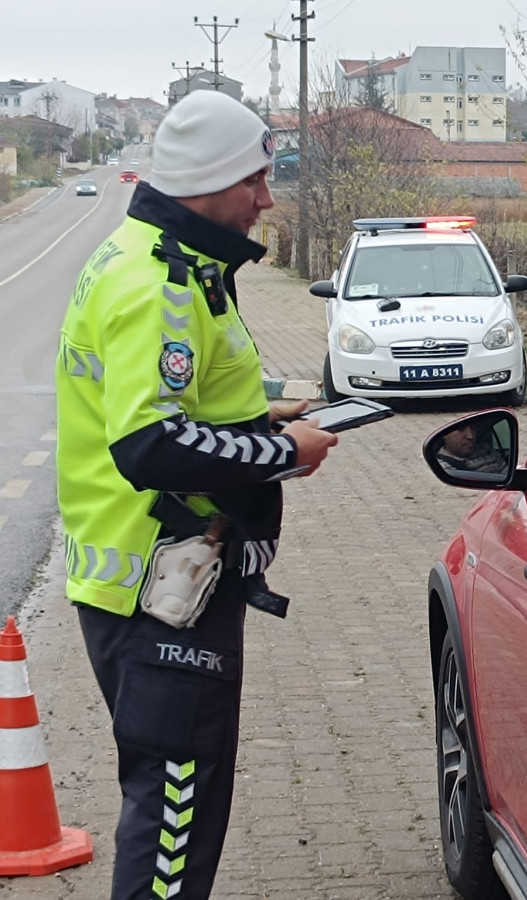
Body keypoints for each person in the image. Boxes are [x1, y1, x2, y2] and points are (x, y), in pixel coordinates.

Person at [56, 90, 339, 900]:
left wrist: (259, 415)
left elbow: (174, 409)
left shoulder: (151, 258)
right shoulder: (160, 284)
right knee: (173, 817)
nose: (266, 198)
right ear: (210, 180)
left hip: (154, 584)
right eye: (254, 178)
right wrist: (282, 451)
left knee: (179, 797)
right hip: (160, 591)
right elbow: (148, 443)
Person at [436, 421, 510, 474]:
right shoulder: (442, 467)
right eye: (461, 429)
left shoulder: (486, 449)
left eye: (473, 428)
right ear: (444, 433)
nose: (470, 436)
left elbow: (506, 474)